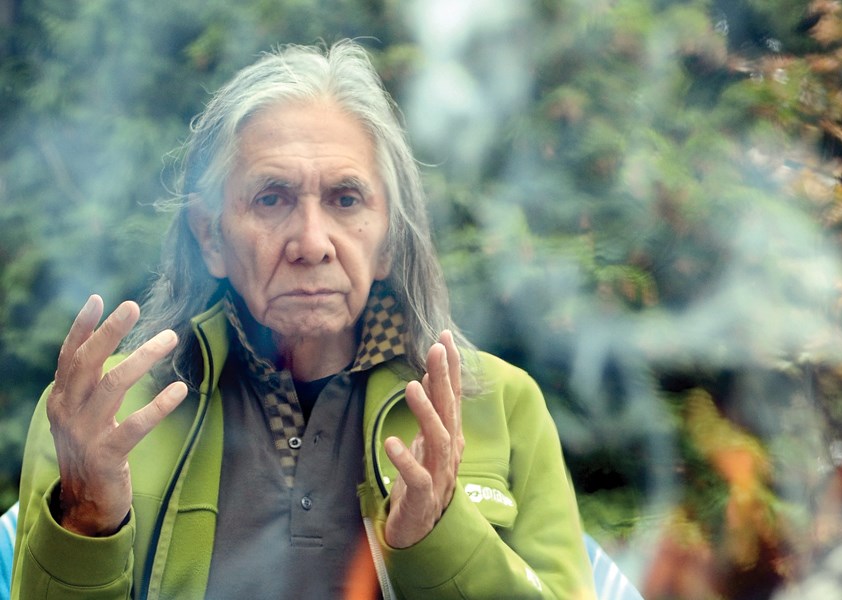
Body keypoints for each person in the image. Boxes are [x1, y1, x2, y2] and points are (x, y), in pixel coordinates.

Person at [11, 40, 596, 599]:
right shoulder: (95, 413)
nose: (311, 243)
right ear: (210, 236)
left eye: (345, 199)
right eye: (272, 198)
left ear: (389, 238)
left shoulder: (502, 404)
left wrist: (439, 539)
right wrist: (85, 517)